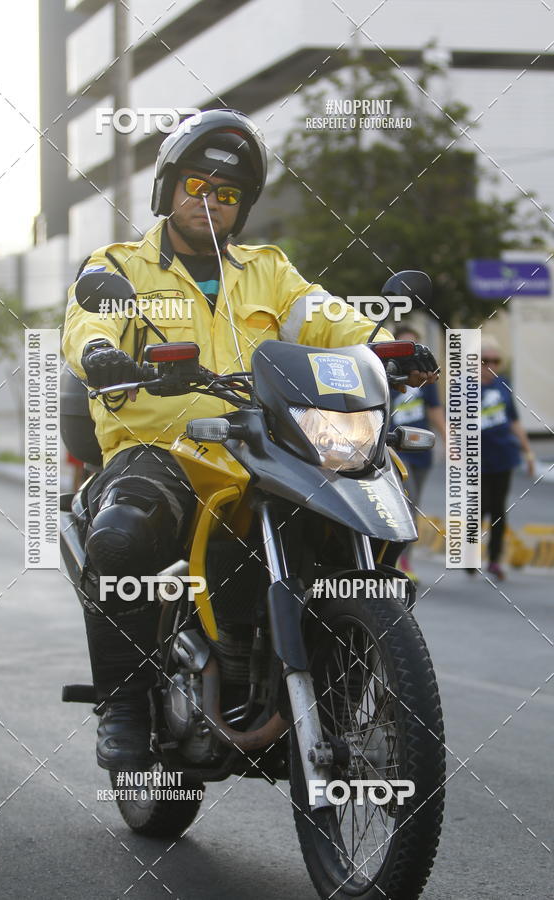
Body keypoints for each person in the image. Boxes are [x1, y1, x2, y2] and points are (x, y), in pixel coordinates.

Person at [62, 108, 439, 771]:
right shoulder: (118, 265)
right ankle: (123, 705)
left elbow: (334, 323)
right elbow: (89, 323)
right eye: (196, 187)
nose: (210, 203)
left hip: (258, 443)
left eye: (227, 194)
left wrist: (388, 348)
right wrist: (100, 355)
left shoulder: (270, 271)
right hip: (162, 450)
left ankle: (339, 674)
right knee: (122, 533)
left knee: (369, 500)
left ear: (243, 207)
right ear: (167, 189)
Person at [389, 326, 446, 581]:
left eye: (413, 348)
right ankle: (398, 560)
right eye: (403, 346)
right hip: (394, 449)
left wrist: (450, 441)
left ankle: (404, 560)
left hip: (421, 448)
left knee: (413, 506)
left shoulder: (425, 378)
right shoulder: (383, 375)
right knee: (406, 501)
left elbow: (434, 410)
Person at [479, 336, 535, 580]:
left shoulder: (503, 385)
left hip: (503, 454)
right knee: (479, 506)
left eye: (495, 361)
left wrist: (528, 451)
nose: (490, 365)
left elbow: (513, 420)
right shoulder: (464, 387)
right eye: (484, 360)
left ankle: (494, 559)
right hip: (475, 456)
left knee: (498, 508)